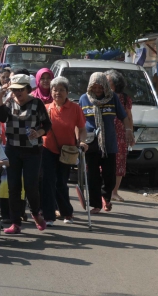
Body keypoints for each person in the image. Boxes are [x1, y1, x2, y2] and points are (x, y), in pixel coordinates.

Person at [0, 74, 51, 234]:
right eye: (14, 89)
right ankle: (15, 222)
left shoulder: (36, 103)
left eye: (21, 89)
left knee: (30, 185)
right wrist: (0, 97)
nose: (17, 92)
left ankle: (35, 213)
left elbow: (47, 124)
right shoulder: (9, 101)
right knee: (13, 186)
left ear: (28, 89)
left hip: (32, 150)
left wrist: (38, 133)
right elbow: (2, 117)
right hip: (12, 149)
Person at [79, 72, 134, 213]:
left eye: (101, 87)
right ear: (90, 86)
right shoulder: (84, 99)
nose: (98, 91)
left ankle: (106, 197)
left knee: (110, 175)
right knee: (92, 175)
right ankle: (96, 204)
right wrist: (80, 140)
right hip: (91, 143)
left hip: (109, 142)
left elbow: (124, 116)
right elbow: (78, 122)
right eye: (95, 87)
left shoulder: (112, 98)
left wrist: (128, 130)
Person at [41, 77, 88, 226]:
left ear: (67, 92)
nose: (58, 92)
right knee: (48, 182)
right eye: (55, 90)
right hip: (47, 149)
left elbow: (81, 129)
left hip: (67, 151)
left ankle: (67, 212)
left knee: (61, 182)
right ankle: (49, 216)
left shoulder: (75, 108)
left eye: (61, 90)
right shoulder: (46, 108)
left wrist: (82, 141)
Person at [105, 70, 135, 202]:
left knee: (119, 164)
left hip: (120, 135)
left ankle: (114, 192)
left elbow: (129, 116)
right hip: (105, 134)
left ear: (115, 83)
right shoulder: (102, 96)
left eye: (108, 81)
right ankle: (102, 190)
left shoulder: (124, 98)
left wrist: (130, 133)